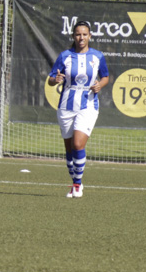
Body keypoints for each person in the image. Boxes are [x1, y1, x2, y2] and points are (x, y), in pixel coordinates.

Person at [47, 21, 110, 198]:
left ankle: (76, 185)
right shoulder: (65, 56)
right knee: (69, 149)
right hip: (66, 105)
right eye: (77, 34)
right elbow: (51, 79)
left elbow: (105, 76)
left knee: (77, 144)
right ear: (73, 36)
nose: (81, 37)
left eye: (84, 34)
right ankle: (76, 182)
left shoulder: (97, 56)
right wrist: (56, 79)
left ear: (90, 36)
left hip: (88, 104)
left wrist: (99, 85)